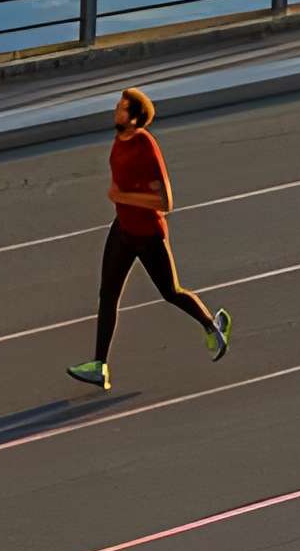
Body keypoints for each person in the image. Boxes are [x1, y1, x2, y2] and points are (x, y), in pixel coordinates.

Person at [68, 87, 226, 390]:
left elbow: (166, 203)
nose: (116, 110)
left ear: (135, 117)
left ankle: (212, 325)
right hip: (123, 230)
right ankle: (99, 366)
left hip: (148, 235)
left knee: (171, 291)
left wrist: (122, 195)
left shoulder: (145, 145)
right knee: (108, 295)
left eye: (121, 107)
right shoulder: (119, 140)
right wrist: (120, 198)